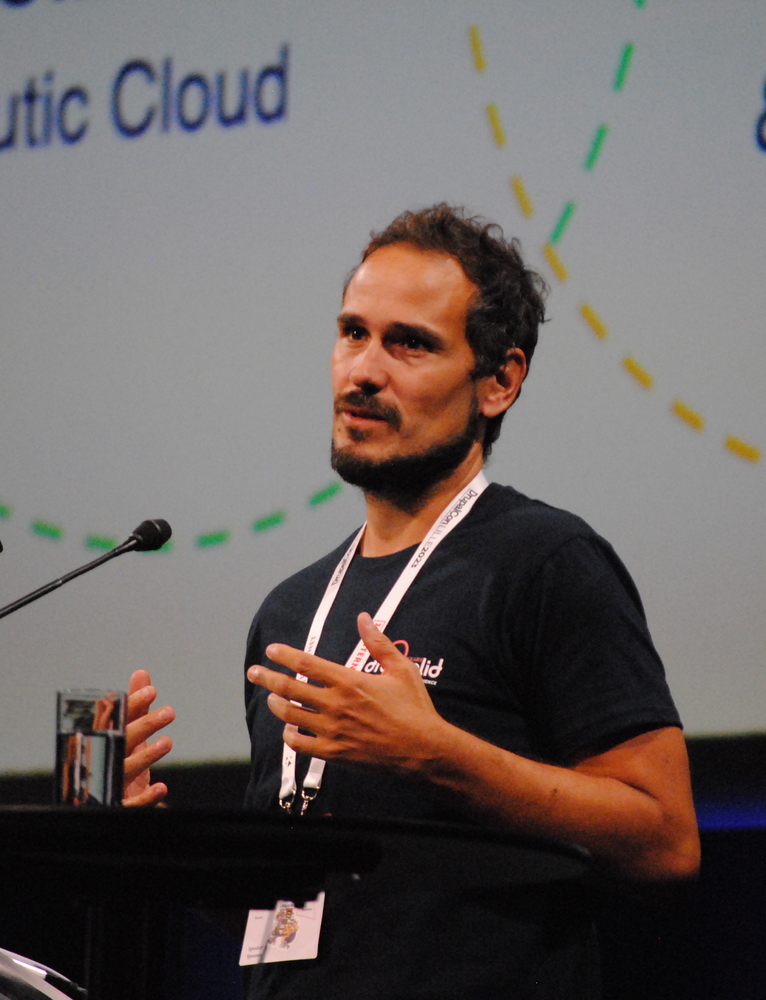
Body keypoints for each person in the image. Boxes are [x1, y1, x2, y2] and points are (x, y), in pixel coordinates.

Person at [124, 204, 699, 998]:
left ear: (499, 381)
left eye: (410, 344)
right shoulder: (291, 611)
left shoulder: (546, 564)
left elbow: (666, 841)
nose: (363, 371)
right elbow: (291, 915)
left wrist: (437, 755)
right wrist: (149, 843)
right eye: (353, 333)